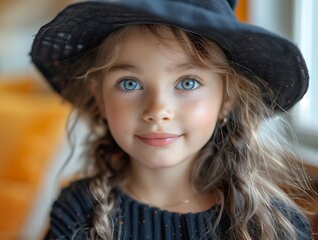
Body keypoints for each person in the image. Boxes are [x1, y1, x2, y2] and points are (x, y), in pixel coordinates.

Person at [30, 0, 315, 239]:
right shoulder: (78, 213)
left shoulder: (273, 225)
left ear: (227, 98)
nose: (157, 110)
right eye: (129, 83)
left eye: (188, 83)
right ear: (100, 97)